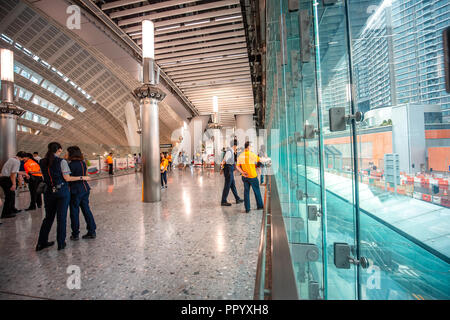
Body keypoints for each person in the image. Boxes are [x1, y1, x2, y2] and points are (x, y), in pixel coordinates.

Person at [36, 142, 91, 251]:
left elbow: (44, 176)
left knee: (48, 218)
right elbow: (67, 178)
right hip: (62, 192)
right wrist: (83, 178)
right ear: (59, 150)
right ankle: (61, 243)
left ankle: (41, 243)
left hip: (48, 193)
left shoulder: (41, 161)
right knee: (61, 218)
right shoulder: (62, 162)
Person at [67, 146, 96, 241]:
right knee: (86, 210)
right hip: (85, 188)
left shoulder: (70, 165)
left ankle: (75, 234)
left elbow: (68, 178)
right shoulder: (82, 163)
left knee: (74, 212)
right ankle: (92, 231)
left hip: (75, 190)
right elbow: (85, 174)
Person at [236, 141, 264, 213]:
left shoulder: (241, 155)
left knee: (246, 192)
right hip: (252, 176)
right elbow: (260, 161)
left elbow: (237, 166)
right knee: (257, 191)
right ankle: (260, 206)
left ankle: (247, 209)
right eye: (251, 146)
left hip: (245, 177)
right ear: (248, 147)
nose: (252, 148)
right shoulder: (252, 155)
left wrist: (242, 172)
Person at [0, 151, 27, 218]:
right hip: (7, 180)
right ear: (23, 157)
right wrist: (14, 184)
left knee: (12, 195)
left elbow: (15, 171)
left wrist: (24, 173)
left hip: (3, 178)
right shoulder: (17, 162)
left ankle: (12, 209)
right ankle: (6, 213)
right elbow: (13, 174)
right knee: (9, 196)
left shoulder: (12, 159)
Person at [221, 139, 244, 206]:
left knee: (233, 185)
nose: (236, 147)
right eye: (236, 146)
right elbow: (225, 161)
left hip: (230, 169)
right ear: (234, 145)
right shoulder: (229, 151)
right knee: (227, 186)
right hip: (228, 170)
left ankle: (237, 198)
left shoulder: (231, 151)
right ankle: (223, 201)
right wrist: (223, 169)